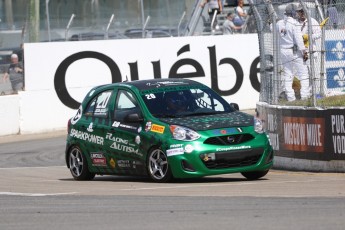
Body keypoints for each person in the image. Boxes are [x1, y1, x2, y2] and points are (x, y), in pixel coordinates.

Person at [276, 4, 310, 101]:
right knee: (303, 73)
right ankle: (305, 96)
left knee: (288, 74)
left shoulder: (279, 23)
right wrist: (304, 51)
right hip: (294, 51)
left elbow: (272, 27)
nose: (297, 14)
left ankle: (290, 98)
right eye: (295, 12)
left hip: (283, 50)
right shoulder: (295, 23)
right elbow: (299, 40)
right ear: (293, 13)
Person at [295, 4, 322, 94]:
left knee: (312, 73)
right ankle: (305, 93)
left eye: (303, 11)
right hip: (300, 53)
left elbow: (319, 34)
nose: (302, 13)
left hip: (311, 51)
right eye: (300, 11)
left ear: (307, 11)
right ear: (297, 12)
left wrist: (308, 37)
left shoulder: (312, 21)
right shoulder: (295, 23)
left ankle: (313, 93)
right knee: (302, 74)